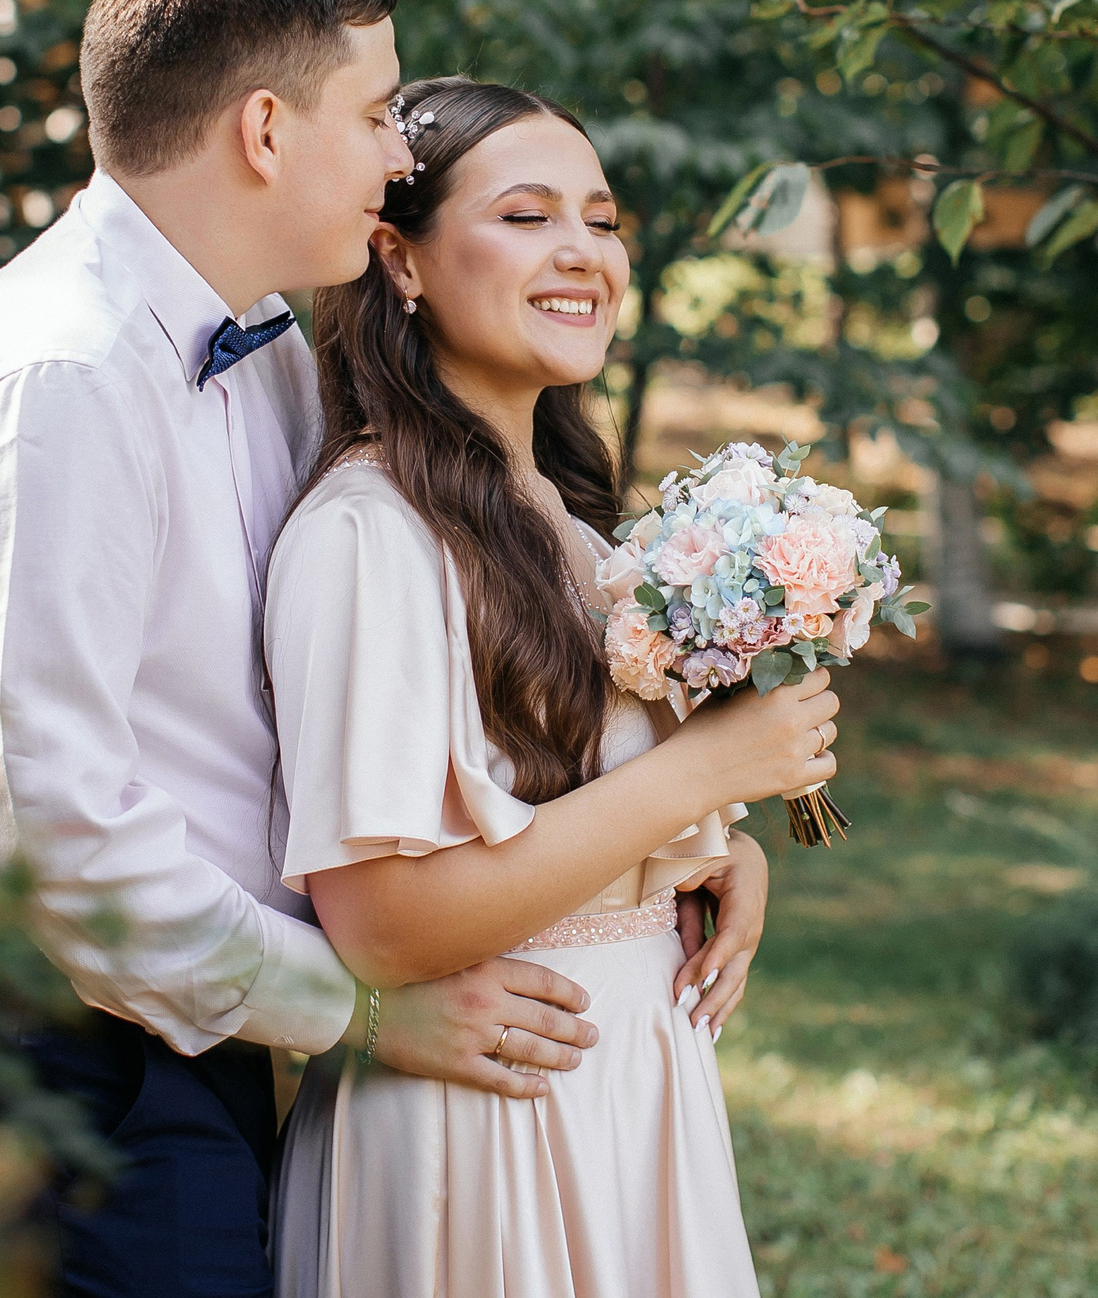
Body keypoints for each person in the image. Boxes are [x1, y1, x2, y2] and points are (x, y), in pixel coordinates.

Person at [0, 0, 609, 1298]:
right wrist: (364, 1005)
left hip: (200, 1026)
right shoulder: (68, 376)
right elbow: (57, 824)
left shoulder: (263, 336)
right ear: (266, 130)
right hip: (62, 1068)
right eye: (378, 113)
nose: (399, 160)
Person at [267, 77, 844, 1296]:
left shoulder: (575, 532)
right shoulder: (373, 532)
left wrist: (714, 855)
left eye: (601, 217)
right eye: (527, 216)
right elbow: (377, 923)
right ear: (400, 260)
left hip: (632, 1080)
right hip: (484, 1112)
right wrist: (702, 773)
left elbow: (583, 813)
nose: (583, 251)